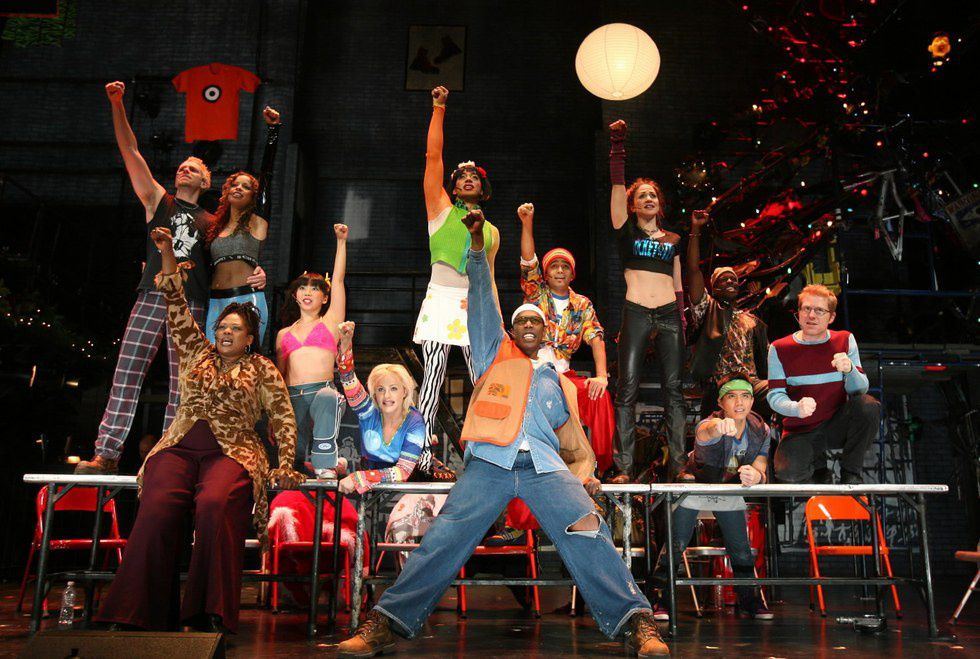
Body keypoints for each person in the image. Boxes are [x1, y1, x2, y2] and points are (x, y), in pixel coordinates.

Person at [338, 209, 669, 658]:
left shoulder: (558, 382)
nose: (529, 326)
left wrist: (585, 474)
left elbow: (575, 442)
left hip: (545, 469)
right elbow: (481, 302)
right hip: (490, 464)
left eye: (536, 322)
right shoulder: (494, 354)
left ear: (546, 331)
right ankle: (386, 621)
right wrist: (478, 250)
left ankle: (636, 622)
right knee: (444, 537)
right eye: (521, 322)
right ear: (511, 330)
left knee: (590, 528)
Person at [95, 226, 303, 633]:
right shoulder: (195, 352)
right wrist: (167, 252)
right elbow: (175, 301)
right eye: (222, 327)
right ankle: (138, 612)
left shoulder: (261, 368)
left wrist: (285, 463)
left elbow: (283, 417)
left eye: (235, 329)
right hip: (179, 448)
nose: (225, 332)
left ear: (249, 338)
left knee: (214, 504)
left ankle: (209, 612)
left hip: (232, 451)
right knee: (157, 506)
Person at [75, 81, 265, 475]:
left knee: (184, 385)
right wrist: (117, 103)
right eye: (182, 165)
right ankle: (107, 453)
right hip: (152, 295)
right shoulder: (157, 201)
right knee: (127, 373)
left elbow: (234, 258)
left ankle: (168, 457)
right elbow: (131, 151)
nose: (184, 168)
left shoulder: (213, 223)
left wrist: (257, 274)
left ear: (205, 182)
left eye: (193, 167)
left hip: (192, 305)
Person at [412, 84, 501, 476]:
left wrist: (497, 319)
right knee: (432, 378)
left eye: (473, 176)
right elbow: (433, 156)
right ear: (452, 185)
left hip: (474, 305)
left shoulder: (492, 231)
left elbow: (490, 279)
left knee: (482, 378)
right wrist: (439, 107)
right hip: (441, 298)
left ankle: (486, 453)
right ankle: (421, 455)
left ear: (483, 187)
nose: (467, 178)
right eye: (461, 175)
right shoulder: (440, 209)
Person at [650, 374, 773, 621]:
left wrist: (757, 476)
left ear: (752, 401)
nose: (739, 402)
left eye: (745, 396)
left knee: (741, 550)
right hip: (695, 488)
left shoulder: (761, 430)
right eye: (732, 396)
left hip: (727, 489)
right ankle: (659, 600)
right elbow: (706, 432)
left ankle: (750, 601)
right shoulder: (708, 424)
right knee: (675, 545)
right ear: (720, 402)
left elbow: (761, 467)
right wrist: (719, 427)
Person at [607, 119, 686, 483]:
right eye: (642, 196)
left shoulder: (673, 239)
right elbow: (617, 185)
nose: (648, 199)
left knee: (674, 390)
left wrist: (681, 317)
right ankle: (624, 468)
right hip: (637, 312)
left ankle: (679, 466)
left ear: (660, 203)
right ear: (633, 205)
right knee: (627, 388)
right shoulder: (625, 231)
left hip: (669, 314)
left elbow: (678, 281)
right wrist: (617, 146)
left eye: (653, 195)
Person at [516, 201, 614, 473]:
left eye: (565, 267)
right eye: (554, 266)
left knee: (599, 396)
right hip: (531, 372)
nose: (560, 270)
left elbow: (596, 338)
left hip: (563, 376)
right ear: (546, 274)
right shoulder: (536, 294)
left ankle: (601, 465)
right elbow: (528, 261)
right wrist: (527, 222)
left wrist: (601, 376)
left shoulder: (582, 304)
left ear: (572, 274)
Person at [767, 284, 880, 484]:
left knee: (868, 406)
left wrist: (850, 370)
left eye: (819, 310)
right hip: (801, 428)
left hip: (836, 423)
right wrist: (795, 408)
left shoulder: (844, 339)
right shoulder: (779, 348)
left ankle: (851, 473)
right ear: (799, 313)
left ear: (831, 317)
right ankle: (819, 471)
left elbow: (860, 390)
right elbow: (775, 396)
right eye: (806, 309)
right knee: (787, 473)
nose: (811, 315)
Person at [204, 106, 283, 345]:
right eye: (235, 184)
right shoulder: (214, 228)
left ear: (253, 196)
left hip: (247, 299)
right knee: (212, 361)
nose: (239, 188)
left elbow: (267, 176)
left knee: (245, 361)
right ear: (226, 191)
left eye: (246, 187)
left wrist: (273, 132)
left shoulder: (256, 223)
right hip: (214, 301)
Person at [276, 224, 348, 478]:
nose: (308, 292)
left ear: (325, 298)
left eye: (315, 288)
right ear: (295, 295)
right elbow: (280, 376)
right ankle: (323, 463)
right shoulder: (283, 334)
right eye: (303, 288)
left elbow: (337, 281)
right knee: (292, 458)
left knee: (329, 397)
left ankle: (326, 462)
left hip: (322, 392)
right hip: (293, 396)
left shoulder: (330, 323)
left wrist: (341, 242)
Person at [686, 209, 770, 418]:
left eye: (733, 279)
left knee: (780, 391)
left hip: (751, 384)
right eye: (724, 279)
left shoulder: (750, 319)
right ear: (714, 287)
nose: (730, 281)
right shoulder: (708, 309)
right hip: (722, 383)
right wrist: (696, 230)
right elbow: (693, 270)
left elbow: (765, 355)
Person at [335, 320, 428, 494]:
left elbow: (403, 472)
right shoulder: (368, 411)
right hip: (372, 489)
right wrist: (346, 345)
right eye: (380, 389)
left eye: (393, 389)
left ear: (405, 391)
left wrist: (359, 478)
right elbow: (348, 380)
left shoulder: (415, 422)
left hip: (411, 489)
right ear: (374, 394)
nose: (387, 396)